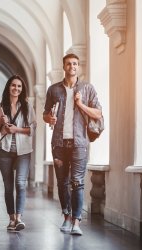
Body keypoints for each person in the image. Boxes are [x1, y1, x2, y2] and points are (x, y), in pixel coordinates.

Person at [43, 53, 102, 236]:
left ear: (78, 67)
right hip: (59, 144)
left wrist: (80, 104)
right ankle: (66, 216)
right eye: (69, 64)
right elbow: (45, 114)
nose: (72, 66)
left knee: (77, 183)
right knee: (62, 183)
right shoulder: (53, 90)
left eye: (75, 63)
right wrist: (49, 118)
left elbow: (98, 114)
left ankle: (76, 221)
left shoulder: (87, 88)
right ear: (64, 66)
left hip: (80, 143)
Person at [0, 75, 36, 231]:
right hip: (5, 150)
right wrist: (0, 122)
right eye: (13, 85)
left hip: (23, 151)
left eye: (19, 86)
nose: (16, 89)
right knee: (8, 186)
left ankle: (19, 218)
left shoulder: (27, 107)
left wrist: (16, 129)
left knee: (20, 183)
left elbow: (32, 129)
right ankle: (11, 218)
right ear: (8, 87)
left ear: (22, 89)